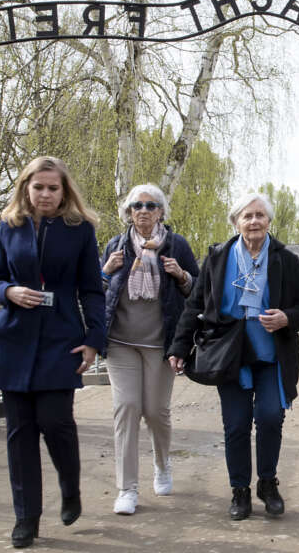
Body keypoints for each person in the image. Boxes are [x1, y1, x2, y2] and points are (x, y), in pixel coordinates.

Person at [0, 156, 106, 549]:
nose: (46, 194)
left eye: (53, 188)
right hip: (14, 339)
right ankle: (25, 518)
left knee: (56, 422)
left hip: (60, 338)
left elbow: (92, 289)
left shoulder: (80, 229)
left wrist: (94, 339)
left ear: (64, 191)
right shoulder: (9, 226)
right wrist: (8, 292)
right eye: (39, 187)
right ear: (26, 189)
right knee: (19, 434)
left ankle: (70, 487)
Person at [167, 193, 299, 521]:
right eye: (247, 216)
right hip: (229, 354)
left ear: (269, 221)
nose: (254, 221)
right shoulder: (218, 257)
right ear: (236, 221)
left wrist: (287, 317)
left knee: (270, 418)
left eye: (260, 215)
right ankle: (240, 491)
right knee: (235, 425)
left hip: (270, 355)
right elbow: (196, 305)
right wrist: (179, 347)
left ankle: (267, 483)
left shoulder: (285, 259)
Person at [100, 184, 199, 515]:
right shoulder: (116, 246)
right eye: (137, 205)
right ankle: (127, 488)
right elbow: (97, 291)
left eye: (151, 205)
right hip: (121, 343)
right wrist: (105, 272)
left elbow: (198, 292)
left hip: (160, 344)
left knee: (156, 412)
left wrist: (181, 274)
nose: (143, 210)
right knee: (127, 407)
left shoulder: (177, 245)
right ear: (129, 212)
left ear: (161, 211)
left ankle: (162, 464)